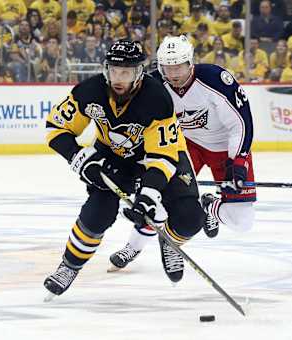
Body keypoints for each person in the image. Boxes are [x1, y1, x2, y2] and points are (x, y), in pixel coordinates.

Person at [43, 40, 206, 297]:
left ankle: (171, 242)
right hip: (113, 159)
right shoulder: (90, 91)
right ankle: (69, 266)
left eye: (126, 72)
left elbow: (162, 157)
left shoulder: (157, 99)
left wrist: (149, 194)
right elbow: (55, 128)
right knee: (98, 214)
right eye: (114, 71)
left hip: (161, 157)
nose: (119, 78)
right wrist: (80, 160)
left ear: (139, 73)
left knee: (190, 217)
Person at [109, 35, 256, 272]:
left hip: (225, 148)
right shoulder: (153, 85)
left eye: (178, 66)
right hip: (183, 146)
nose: (174, 73)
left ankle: (210, 207)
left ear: (190, 63)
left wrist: (237, 162)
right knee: (156, 199)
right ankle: (133, 246)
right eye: (168, 67)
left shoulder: (215, 80)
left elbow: (241, 123)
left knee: (243, 221)